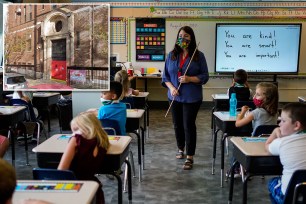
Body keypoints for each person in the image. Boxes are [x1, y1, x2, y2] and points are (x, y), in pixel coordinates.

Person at [162, 26, 209, 170]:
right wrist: (171, 88)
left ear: (191, 38)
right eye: (180, 35)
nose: (183, 38)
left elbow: (204, 76)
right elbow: (165, 76)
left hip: (192, 98)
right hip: (174, 96)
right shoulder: (171, 55)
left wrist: (190, 79)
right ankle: (180, 148)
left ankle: (190, 156)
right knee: (177, 124)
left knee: (188, 125)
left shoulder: (198, 55)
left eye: (186, 36)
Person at [58, 112, 110, 204]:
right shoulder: (103, 141)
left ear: (85, 128)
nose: (73, 134)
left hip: (74, 188)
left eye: (75, 130)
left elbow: (61, 171)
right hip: (93, 188)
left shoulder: (77, 140)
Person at [265, 102, 306, 204]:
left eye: (283, 121)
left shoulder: (282, 142)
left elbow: (267, 146)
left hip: (290, 197)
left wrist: (275, 132)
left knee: (272, 182)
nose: (279, 124)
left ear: (296, 125)